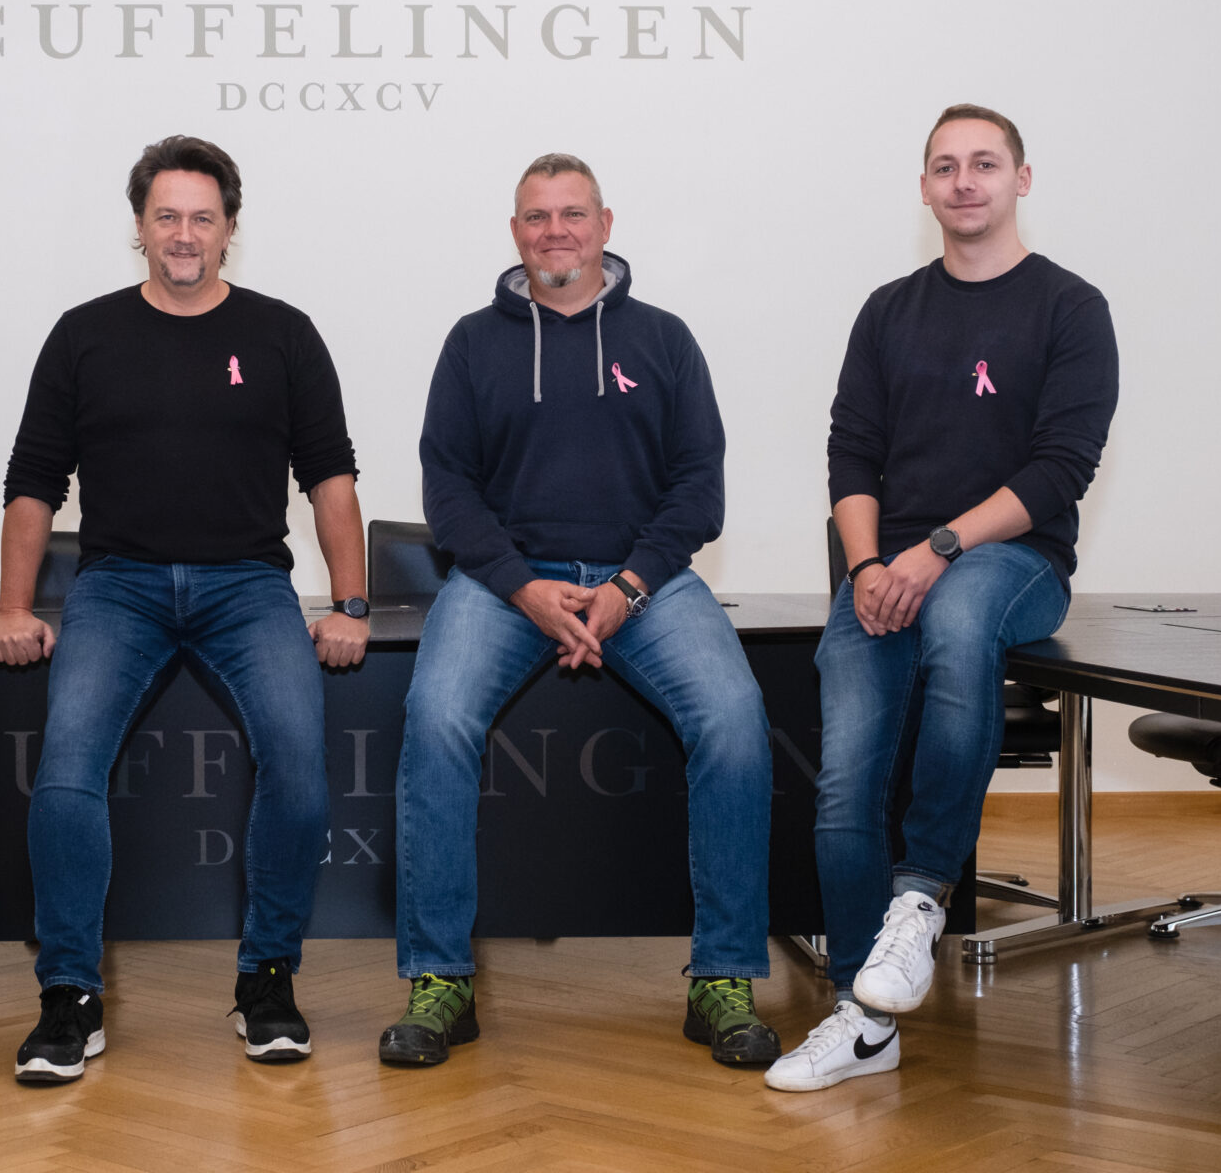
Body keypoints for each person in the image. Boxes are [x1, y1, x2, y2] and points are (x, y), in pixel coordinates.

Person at [379, 153, 780, 1069]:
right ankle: (440, 977)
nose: (554, 231)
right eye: (536, 216)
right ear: (514, 232)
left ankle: (723, 976)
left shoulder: (665, 339)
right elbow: (449, 489)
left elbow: (699, 489)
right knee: (434, 717)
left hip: (646, 585)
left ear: (605, 225)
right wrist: (521, 585)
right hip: (506, 587)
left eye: (572, 214)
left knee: (734, 720)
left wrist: (627, 588)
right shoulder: (472, 343)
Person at [0, 135, 368, 1083]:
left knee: (298, 765)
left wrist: (352, 603)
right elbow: (34, 480)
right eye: (167, 216)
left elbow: (330, 478)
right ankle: (70, 995)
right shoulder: (84, 334)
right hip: (118, 585)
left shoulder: (283, 333)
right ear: (140, 226)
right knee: (66, 771)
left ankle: (266, 980)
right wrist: (13, 607)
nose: (185, 234)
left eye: (203, 217)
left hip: (248, 585)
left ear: (230, 227)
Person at [766, 105, 1118, 1092]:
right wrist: (867, 568)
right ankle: (862, 1016)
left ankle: (920, 897)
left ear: (1021, 179)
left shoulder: (1070, 307)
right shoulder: (889, 310)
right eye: (945, 166)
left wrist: (938, 550)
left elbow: (1060, 468)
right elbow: (851, 451)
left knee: (960, 616)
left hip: (1014, 561)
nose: (965, 181)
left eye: (985, 163)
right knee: (845, 782)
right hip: (887, 571)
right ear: (924, 187)